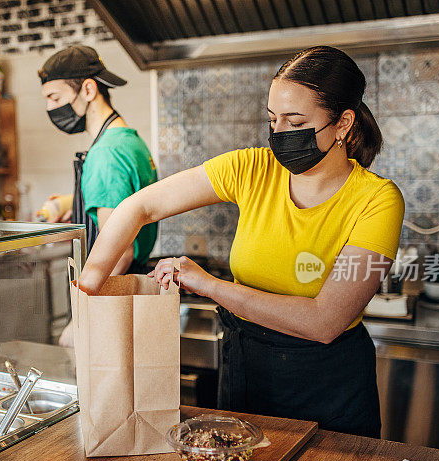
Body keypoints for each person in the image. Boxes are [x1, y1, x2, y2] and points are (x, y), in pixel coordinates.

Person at [77, 46, 405, 439]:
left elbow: (324, 321)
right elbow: (140, 207)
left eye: (296, 121)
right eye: (272, 119)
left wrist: (210, 285)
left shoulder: (378, 200)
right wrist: (88, 288)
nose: (279, 133)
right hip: (246, 369)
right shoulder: (251, 168)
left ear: (343, 123)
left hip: (328, 386)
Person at [38, 45, 158, 276]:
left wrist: (86, 306)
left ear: (89, 90)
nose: (50, 108)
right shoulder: (128, 140)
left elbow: (120, 254)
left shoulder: (106, 153)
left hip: (114, 289)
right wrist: (76, 204)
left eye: (54, 98)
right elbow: (123, 201)